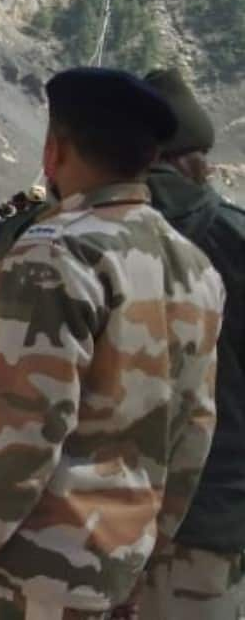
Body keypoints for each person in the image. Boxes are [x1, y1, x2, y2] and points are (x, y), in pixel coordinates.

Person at [0, 68, 225, 620]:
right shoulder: (193, 268)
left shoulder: (55, 254)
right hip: (114, 567)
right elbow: (193, 431)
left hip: (23, 574)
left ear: (54, 151)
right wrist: (143, 553)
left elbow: (20, 431)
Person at [135, 69, 245, 619]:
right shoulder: (233, 237)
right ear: (196, 160)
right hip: (209, 514)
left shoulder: (66, 232)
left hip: (80, 522)